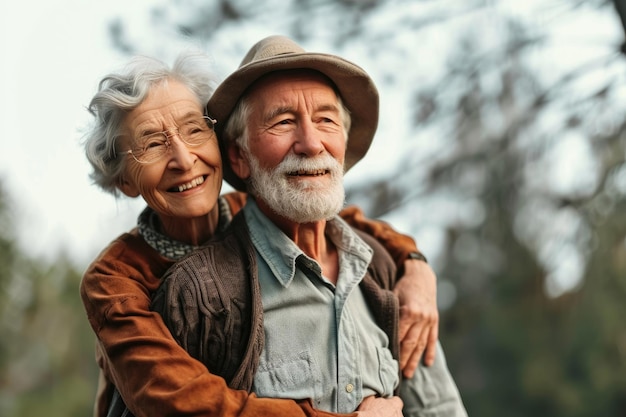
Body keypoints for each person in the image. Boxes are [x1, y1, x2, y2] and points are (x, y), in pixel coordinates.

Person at [79, 48, 438, 417]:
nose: (184, 160)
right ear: (124, 181)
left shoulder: (248, 212)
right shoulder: (113, 278)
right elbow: (179, 400)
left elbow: (341, 219)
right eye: (152, 144)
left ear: (218, 142)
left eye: (193, 130)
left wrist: (415, 264)